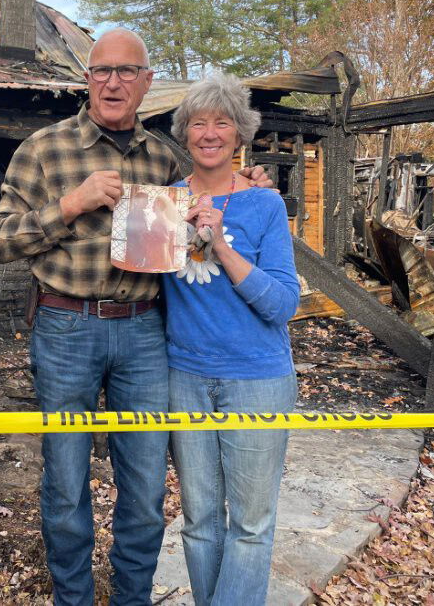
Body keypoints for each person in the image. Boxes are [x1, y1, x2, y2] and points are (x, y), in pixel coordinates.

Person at [0, 28, 271, 606]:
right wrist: (72, 202)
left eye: (127, 72)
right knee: (65, 486)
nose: (113, 81)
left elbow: (212, 198)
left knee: (142, 490)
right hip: (65, 328)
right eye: (101, 71)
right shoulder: (44, 148)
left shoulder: (167, 160)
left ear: (146, 83)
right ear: (87, 79)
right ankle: (74, 599)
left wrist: (251, 185)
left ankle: (131, 600)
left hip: (145, 330)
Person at [161, 74, 300, 606]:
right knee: (198, 521)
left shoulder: (265, 206)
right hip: (185, 377)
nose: (210, 133)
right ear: (185, 133)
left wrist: (219, 242)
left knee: (250, 523)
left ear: (240, 133)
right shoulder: (166, 202)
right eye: (199, 122)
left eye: (222, 122)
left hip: (258, 380)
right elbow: (136, 273)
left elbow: (283, 304)